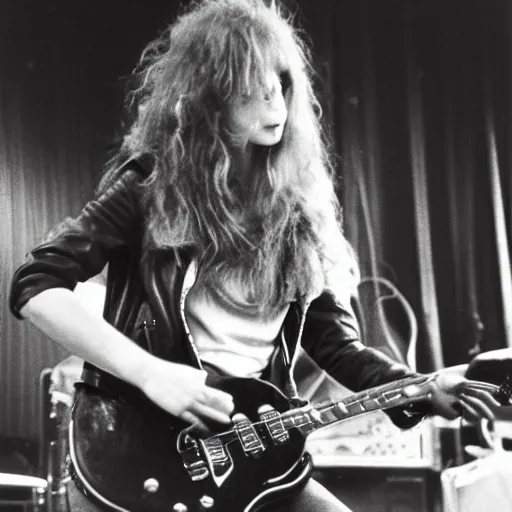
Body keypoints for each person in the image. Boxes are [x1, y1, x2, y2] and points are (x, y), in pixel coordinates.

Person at [10, 1, 500, 510]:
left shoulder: (300, 213)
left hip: (250, 453)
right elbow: (36, 284)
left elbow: (338, 348)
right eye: (250, 81)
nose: (273, 96)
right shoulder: (149, 185)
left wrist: (420, 389)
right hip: (134, 453)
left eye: (280, 79)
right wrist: (149, 372)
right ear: (207, 97)